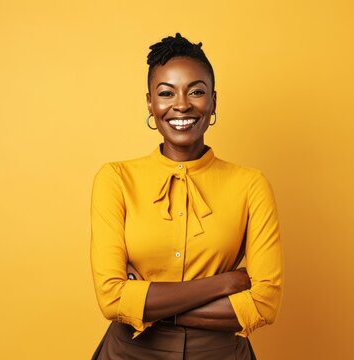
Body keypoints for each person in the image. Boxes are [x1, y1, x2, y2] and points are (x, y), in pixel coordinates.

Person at [90, 33, 283, 359]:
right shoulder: (115, 179)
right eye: (166, 93)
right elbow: (111, 298)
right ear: (150, 103)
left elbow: (264, 304)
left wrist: (145, 304)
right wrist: (225, 284)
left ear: (213, 102)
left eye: (196, 91)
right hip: (128, 353)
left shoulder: (251, 184)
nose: (181, 104)